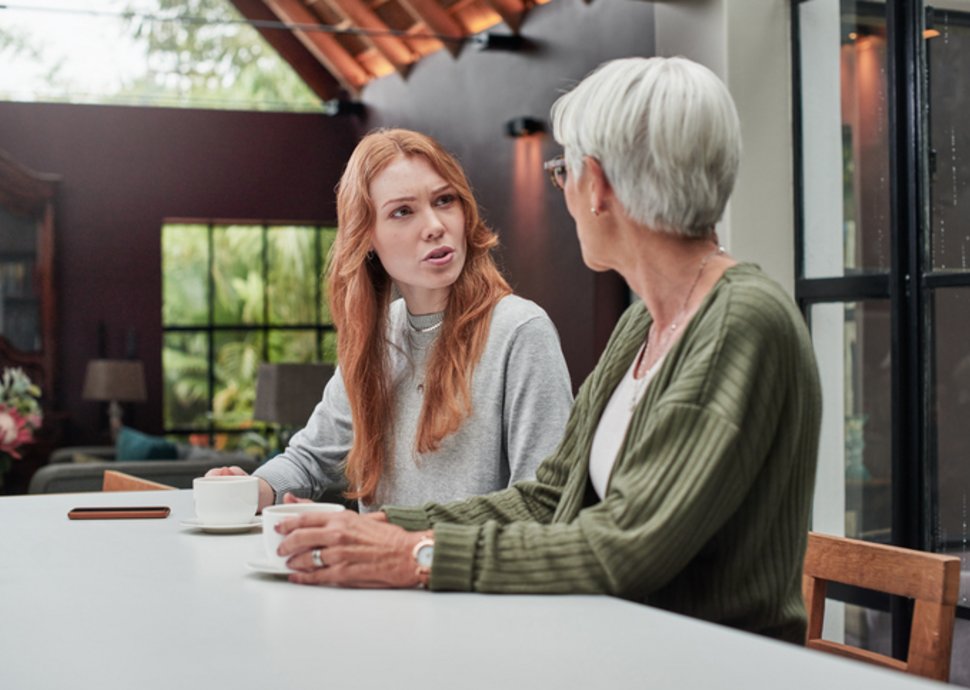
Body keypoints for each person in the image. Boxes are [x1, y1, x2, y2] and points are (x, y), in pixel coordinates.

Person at [272, 57, 822, 643]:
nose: (562, 191)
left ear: (600, 186)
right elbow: (550, 497)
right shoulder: (644, 325)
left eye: (563, 172)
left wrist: (418, 555)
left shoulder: (741, 324)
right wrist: (387, 530)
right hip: (622, 646)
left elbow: (625, 547)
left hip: (700, 665)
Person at [209, 129, 573, 513]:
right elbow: (310, 459)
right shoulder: (380, 336)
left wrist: (406, 545)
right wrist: (254, 488)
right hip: (370, 573)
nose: (434, 225)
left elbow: (544, 505)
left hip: (461, 571)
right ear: (366, 236)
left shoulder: (520, 330)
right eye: (403, 211)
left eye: (444, 200)